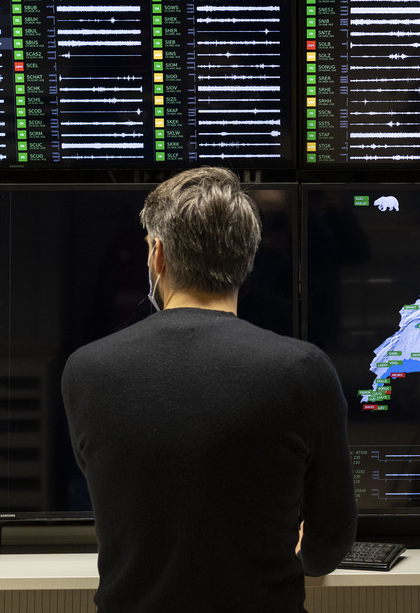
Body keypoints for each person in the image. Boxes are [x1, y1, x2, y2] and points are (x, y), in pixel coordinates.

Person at [61, 167, 358, 613]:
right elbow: (331, 540)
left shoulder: (86, 370)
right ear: (246, 257)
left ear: (157, 256)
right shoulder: (303, 370)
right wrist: (305, 552)